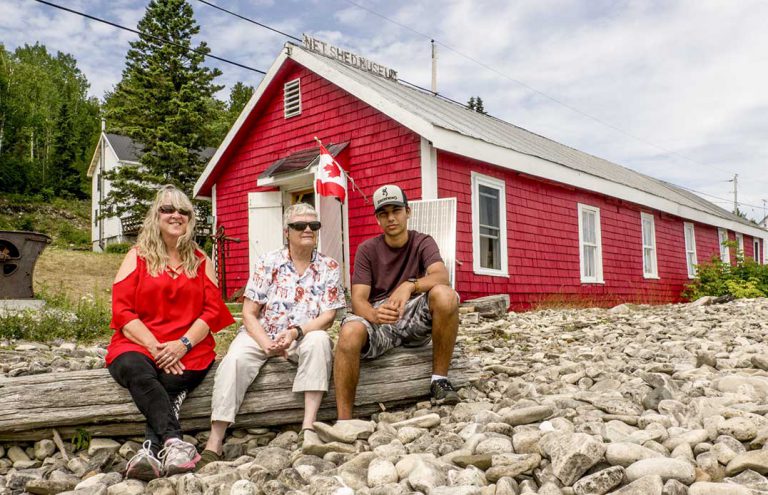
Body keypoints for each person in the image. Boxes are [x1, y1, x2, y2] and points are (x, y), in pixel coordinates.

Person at [196, 203, 345, 469]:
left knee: (320, 341)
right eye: (300, 225)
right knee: (234, 361)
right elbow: (249, 312)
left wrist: (296, 332)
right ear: (287, 231)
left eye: (314, 225)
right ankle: (215, 441)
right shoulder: (268, 261)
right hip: (262, 332)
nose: (308, 229)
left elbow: (328, 316)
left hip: (302, 333)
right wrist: (266, 343)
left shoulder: (329, 266)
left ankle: (308, 428)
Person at [106, 185, 234, 481]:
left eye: (183, 211)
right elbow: (122, 311)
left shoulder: (202, 260)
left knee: (167, 377)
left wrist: (182, 345)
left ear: (190, 219)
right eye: (167, 209)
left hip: (190, 347)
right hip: (139, 343)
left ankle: (150, 450)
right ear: (156, 216)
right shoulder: (137, 255)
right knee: (133, 368)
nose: (176, 215)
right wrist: (156, 347)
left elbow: (212, 312)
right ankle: (175, 442)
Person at [334, 184, 460, 420]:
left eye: (396, 210)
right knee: (350, 331)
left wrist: (409, 285)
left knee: (445, 295)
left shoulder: (423, 242)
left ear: (408, 212)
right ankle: (344, 420)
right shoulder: (367, 250)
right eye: (384, 213)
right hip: (380, 317)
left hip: (412, 312)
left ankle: (439, 382)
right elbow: (358, 300)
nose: (391, 218)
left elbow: (442, 276)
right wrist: (374, 315)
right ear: (378, 219)